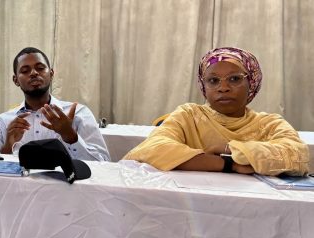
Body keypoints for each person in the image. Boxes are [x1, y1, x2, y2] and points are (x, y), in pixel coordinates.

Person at [124, 47, 309, 176]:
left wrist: (229, 148)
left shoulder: (269, 123)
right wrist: (229, 164)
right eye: (213, 81)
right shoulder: (189, 115)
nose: (223, 88)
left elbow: (298, 156)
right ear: (204, 86)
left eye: (234, 79)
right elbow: (151, 149)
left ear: (251, 83)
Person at [0, 47, 110, 160]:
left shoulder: (79, 114)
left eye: (40, 68)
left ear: (51, 74)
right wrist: (7, 147)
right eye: (25, 70)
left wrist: (71, 136)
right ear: (16, 80)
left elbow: (103, 163)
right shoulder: (2, 123)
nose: (34, 73)